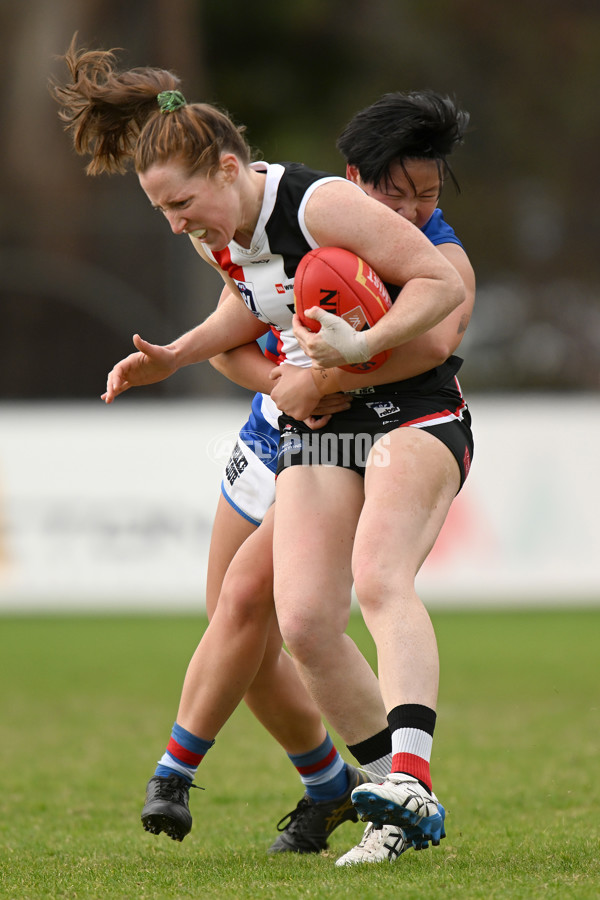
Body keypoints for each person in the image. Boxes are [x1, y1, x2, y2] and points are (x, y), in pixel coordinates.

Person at [51, 37, 469, 863]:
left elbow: (443, 288)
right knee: (305, 622)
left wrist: (355, 351)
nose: (176, 225)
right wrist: (174, 354)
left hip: (411, 416)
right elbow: (247, 312)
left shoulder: (315, 207)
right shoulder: (221, 236)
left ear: (230, 168)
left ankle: (409, 780)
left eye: (181, 204)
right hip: (320, 430)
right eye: (162, 212)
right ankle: (390, 803)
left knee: (379, 578)